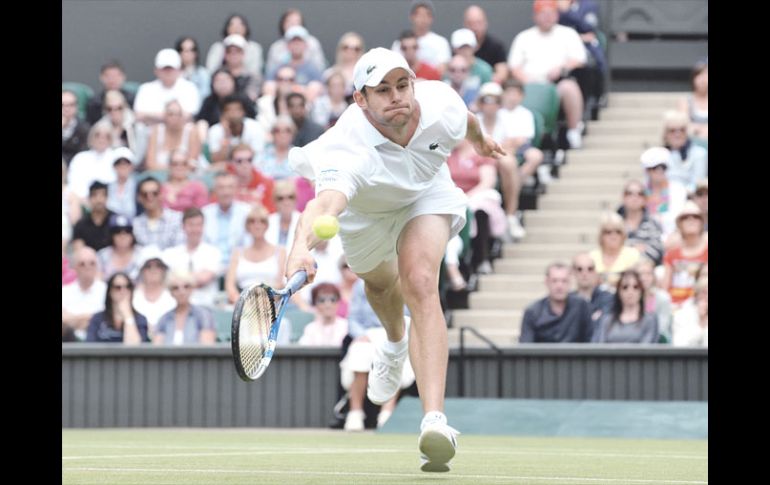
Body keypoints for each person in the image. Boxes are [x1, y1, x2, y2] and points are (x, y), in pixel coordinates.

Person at [286, 47, 506, 472]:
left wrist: (482, 142)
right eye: (382, 90)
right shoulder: (345, 148)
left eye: (403, 84)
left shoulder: (440, 104)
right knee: (381, 285)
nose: (397, 96)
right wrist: (299, 248)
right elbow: (325, 206)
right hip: (366, 214)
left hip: (426, 194)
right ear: (360, 100)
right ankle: (393, 341)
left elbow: (467, 121)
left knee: (421, 280)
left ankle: (434, 423)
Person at [520, 262, 593, 343]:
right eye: (554, 281)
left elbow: (590, 340)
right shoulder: (533, 312)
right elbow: (525, 347)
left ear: (570, 282)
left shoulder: (582, 307)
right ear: (546, 282)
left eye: (564, 281)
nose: (559, 286)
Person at [592, 270, 659, 343]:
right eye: (625, 287)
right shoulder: (607, 320)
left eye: (636, 287)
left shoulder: (650, 320)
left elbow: (647, 350)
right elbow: (599, 347)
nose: (630, 291)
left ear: (641, 291)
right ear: (619, 292)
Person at [86, 272, 150, 344]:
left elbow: (135, 348)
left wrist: (128, 316)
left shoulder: (140, 319)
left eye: (128, 287)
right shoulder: (97, 318)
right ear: (110, 291)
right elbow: (90, 347)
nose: (123, 291)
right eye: (118, 287)